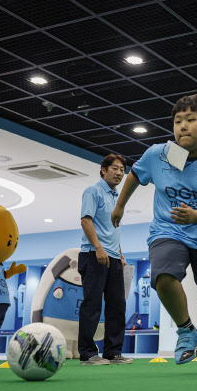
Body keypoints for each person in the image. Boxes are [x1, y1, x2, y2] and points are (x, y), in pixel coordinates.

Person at [111, 93, 197, 373]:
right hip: (168, 229)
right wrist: (119, 207)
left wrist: (196, 215)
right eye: (177, 121)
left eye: (191, 119)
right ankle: (187, 331)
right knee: (162, 275)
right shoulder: (161, 153)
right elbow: (136, 175)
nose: (182, 126)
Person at [78, 153, 131, 365]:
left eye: (122, 170)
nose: (119, 173)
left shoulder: (117, 197)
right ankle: (88, 353)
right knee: (92, 306)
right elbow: (86, 221)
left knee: (117, 305)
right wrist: (98, 248)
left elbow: (113, 228)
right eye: (115, 168)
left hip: (114, 257)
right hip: (93, 255)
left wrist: (120, 253)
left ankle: (113, 352)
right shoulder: (93, 191)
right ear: (103, 170)